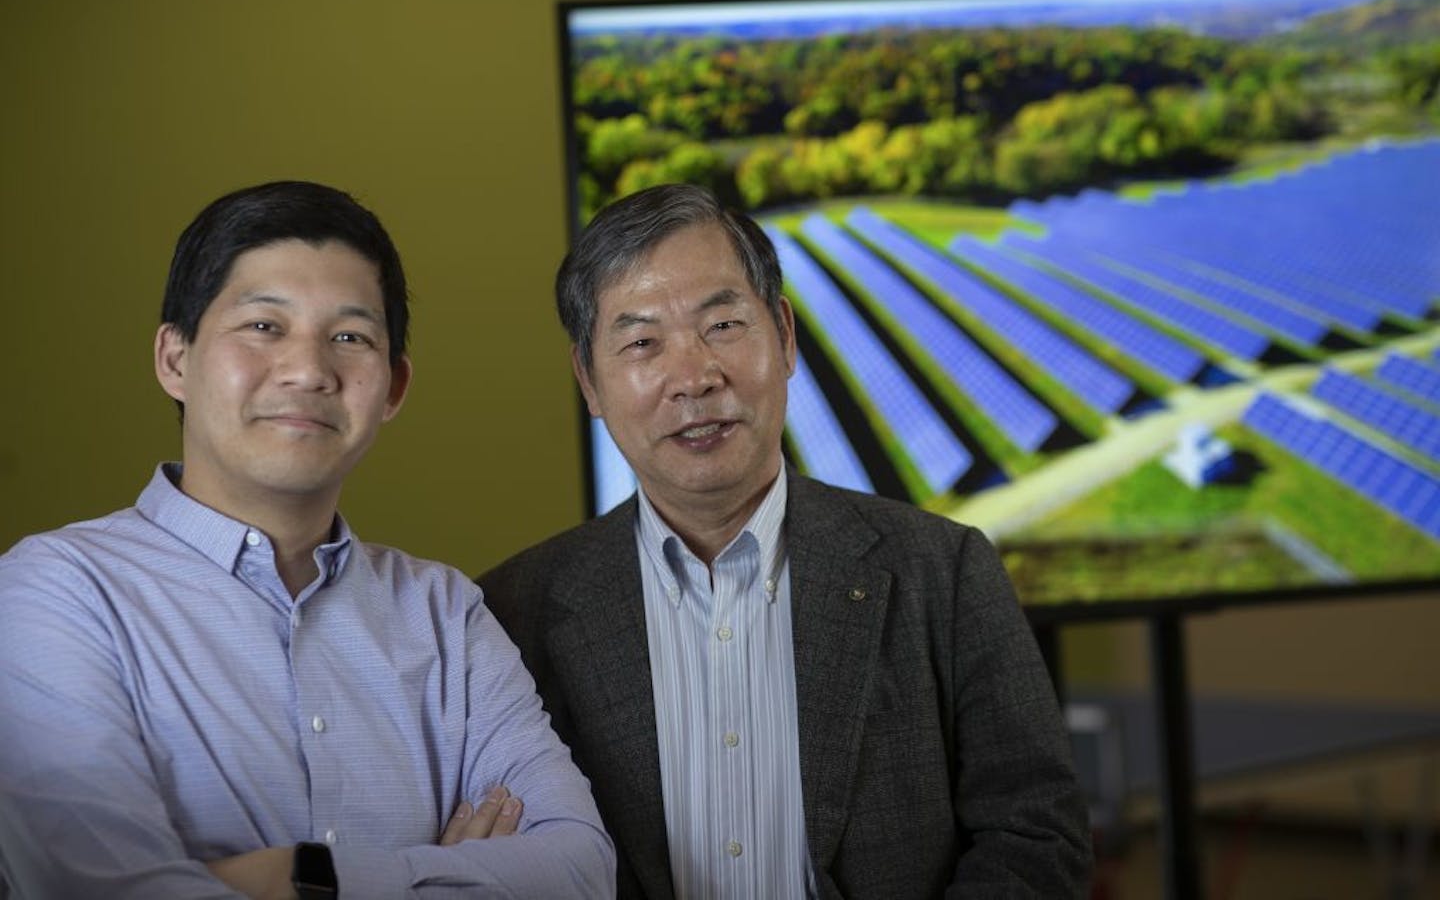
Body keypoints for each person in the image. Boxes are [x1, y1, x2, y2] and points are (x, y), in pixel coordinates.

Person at [0, 181, 614, 899]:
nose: (309, 371)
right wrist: (445, 876)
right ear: (175, 359)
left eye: (350, 337)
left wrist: (303, 878)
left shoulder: (446, 613)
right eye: (264, 326)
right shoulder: (51, 595)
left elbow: (578, 870)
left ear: (393, 388)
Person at [482, 183, 1093, 898]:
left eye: (723, 325)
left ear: (785, 335)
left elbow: (1038, 836)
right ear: (589, 382)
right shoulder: (510, 614)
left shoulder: (945, 572)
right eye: (643, 342)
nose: (695, 377)